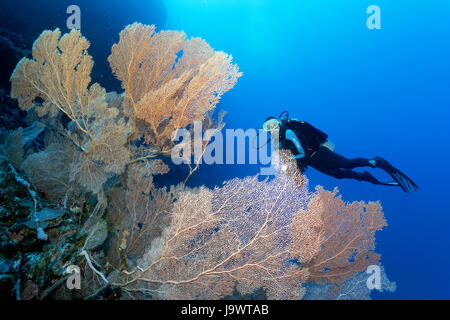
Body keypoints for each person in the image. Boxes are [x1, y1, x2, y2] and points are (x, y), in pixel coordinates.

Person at [263, 111, 419, 193]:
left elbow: (301, 153)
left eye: (272, 124)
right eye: (267, 127)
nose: (272, 128)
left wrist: (291, 161)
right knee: (338, 175)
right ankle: (366, 177)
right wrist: (296, 176)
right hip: (312, 161)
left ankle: (377, 162)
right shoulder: (278, 144)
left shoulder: (289, 131)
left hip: (317, 153)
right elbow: (291, 162)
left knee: (347, 164)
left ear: (278, 121)